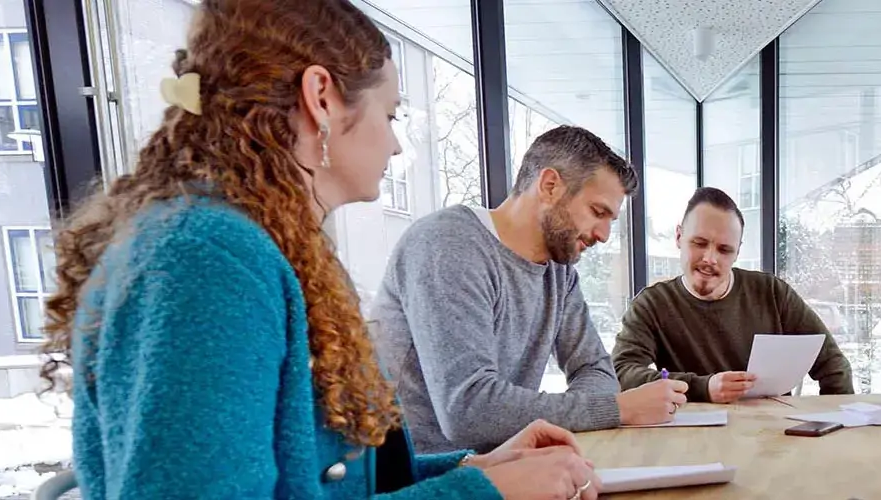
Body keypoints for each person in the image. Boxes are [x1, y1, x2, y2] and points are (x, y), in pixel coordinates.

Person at [38, 1, 597, 498]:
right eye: (391, 114)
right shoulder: (202, 262)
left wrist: (474, 466)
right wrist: (479, 491)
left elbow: (314, 478)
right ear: (322, 98)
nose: (396, 141)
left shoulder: (258, 243)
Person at [370, 125, 689, 454]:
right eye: (598, 212)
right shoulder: (447, 243)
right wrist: (615, 409)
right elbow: (468, 411)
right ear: (550, 186)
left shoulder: (559, 272)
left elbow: (595, 368)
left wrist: (577, 415)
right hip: (424, 476)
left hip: (510, 460)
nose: (605, 235)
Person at [612, 187, 855, 403]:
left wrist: (835, 422)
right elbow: (622, 371)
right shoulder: (653, 304)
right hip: (690, 436)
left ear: (737, 252)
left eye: (724, 250)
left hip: (771, 435)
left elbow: (833, 364)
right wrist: (702, 387)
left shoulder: (771, 292)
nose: (710, 258)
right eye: (699, 242)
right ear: (678, 237)